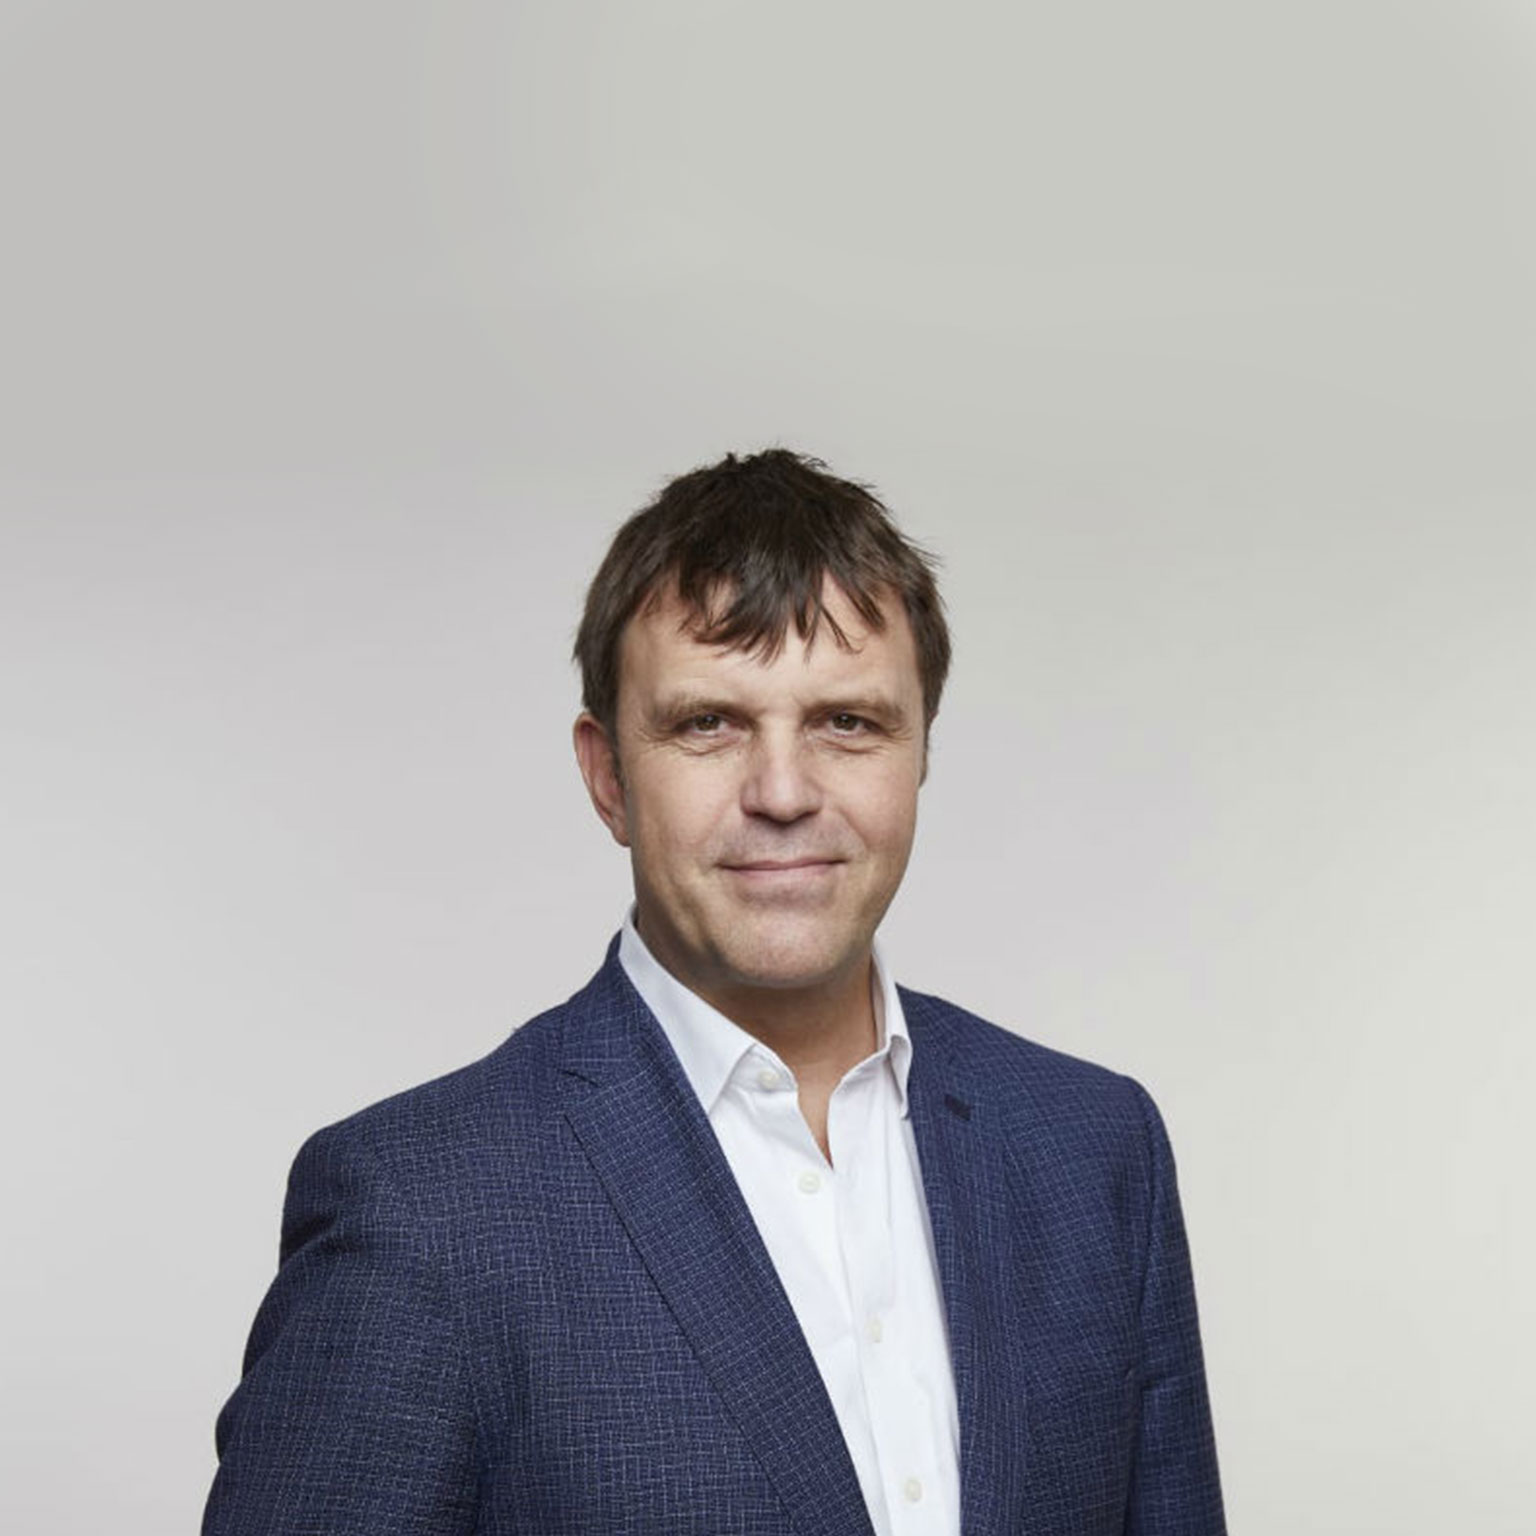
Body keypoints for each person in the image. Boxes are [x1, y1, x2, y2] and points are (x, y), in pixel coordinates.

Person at [202, 448, 1226, 1535]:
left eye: (847, 722)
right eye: (708, 724)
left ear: (920, 751)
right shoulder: (422, 1208)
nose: (783, 792)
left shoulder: (1095, 1151)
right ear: (608, 776)